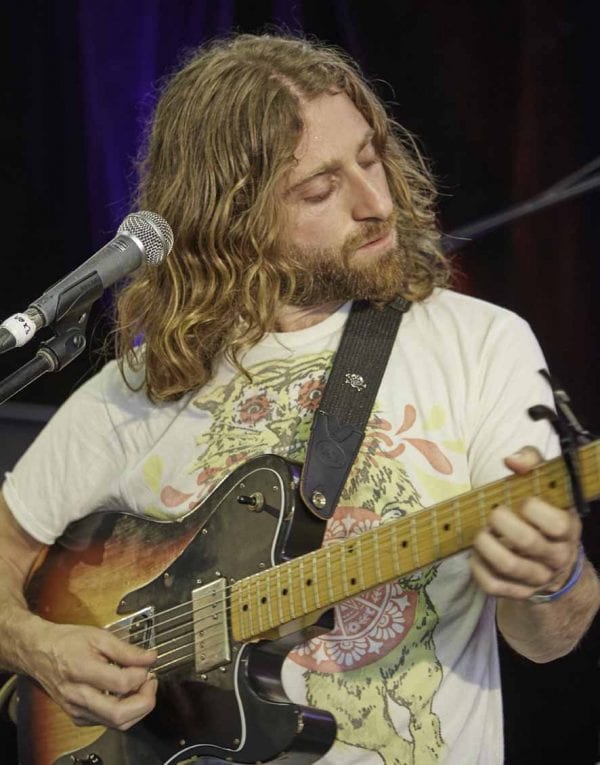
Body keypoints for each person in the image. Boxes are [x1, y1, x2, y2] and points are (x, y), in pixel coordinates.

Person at [0, 33, 598, 765]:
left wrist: (556, 579)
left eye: (370, 158)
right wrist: (37, 644)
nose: (376, 202)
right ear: (233, 216)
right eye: (320, 189)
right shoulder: (138, 389)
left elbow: (547, 640)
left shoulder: (481, 345)